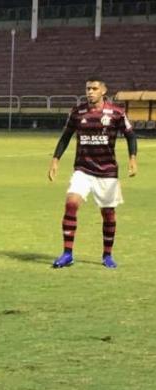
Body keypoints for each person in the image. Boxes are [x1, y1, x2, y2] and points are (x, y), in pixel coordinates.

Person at [48, 77, 138, 269]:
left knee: (108, 214)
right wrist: (55, 160)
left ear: (103, 91)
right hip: (83, 168)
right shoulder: (77, 111)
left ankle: (107, 255)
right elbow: (65, 137)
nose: (90, 92)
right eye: (88, 88)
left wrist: (132, 159)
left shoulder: (116, 112)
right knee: (71, 203)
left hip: (107, 171)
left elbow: (130, 135)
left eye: (94, 88)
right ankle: (67, 254)